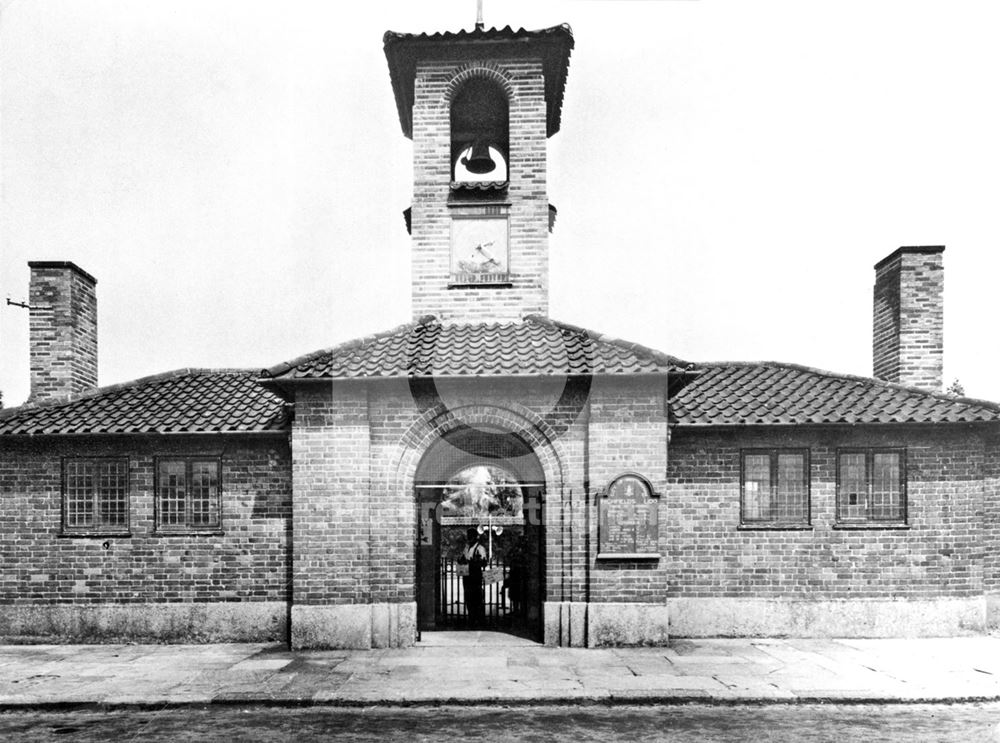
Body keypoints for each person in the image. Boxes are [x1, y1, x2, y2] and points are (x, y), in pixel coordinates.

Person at [458, 527, 488, 625]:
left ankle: (478, 618)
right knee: (468, 597)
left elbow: (484, 563)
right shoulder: (467, 547)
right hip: (467, 575)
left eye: (470, 536)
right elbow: (462, 558)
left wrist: (472, 562)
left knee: (477, 597)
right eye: (468, 535)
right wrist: (461, 560)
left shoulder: (480, 548)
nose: (469, 537)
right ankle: (471, 616)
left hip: (475, 575)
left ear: (475, 537)